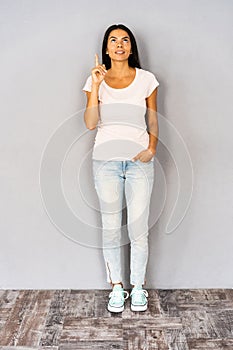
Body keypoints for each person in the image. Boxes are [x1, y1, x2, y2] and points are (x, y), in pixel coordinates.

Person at [82, 24, 159, 313]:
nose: (119, 45)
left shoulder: (146, 79)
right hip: (105, 163)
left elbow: (152, 118)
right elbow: (90, 123)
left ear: (131, 47)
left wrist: (152, 149)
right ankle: (117, 287)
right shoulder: (95, 80)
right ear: (106, 47)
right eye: (113, 40)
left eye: (124, 40)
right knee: (112, 227)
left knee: (139, 230)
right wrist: (96, 85)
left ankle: (137, 287)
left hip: (139, 163)